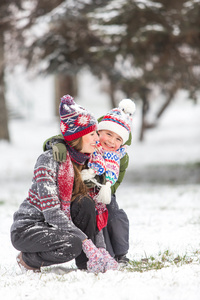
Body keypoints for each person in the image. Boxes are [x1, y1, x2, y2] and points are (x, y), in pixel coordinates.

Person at [10, 94, 118, 273]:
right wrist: (85, 242)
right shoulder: (49, 161)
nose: (96, 139)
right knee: (72, 244)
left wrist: (100, 252)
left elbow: (94, 212)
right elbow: (51, 212)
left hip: (57, 226)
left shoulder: (90, 164)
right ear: (77, 136)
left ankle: (86, 265)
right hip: (30, 227)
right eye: (91, 134)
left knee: (86, 203)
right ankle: (27, 259)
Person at [43, 98, 136, 264]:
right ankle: (94, 254)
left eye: (118, 139)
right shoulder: (90, 139)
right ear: (99, 131)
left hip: (104, 190)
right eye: (108, 134)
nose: (111, 141)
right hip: (80, 189)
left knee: (113, 212)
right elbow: (70, 135)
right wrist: (56, 143)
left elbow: (116, 182)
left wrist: (102, 186)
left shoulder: (122, 157)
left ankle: (121, 253)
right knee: (89, 211)